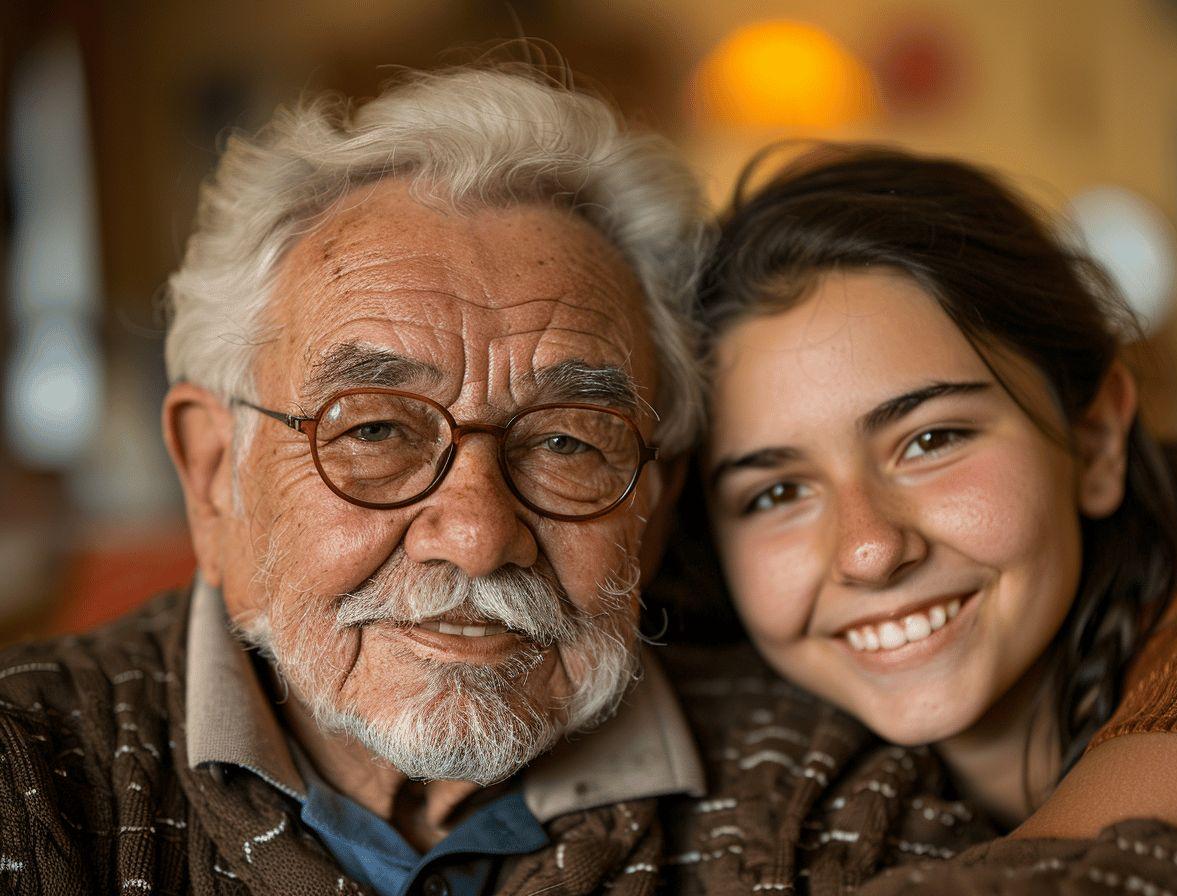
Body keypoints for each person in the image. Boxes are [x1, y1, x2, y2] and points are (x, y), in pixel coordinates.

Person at [0, 63, 722, 895]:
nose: (480, 539)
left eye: (566, 441)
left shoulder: (810, 785)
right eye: (375, 429)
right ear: (212, 475)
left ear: (657, 502)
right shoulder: (28, 780)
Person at [696, 144, 1177, 891]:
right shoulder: (753, 746)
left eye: (931, 440)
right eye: (776, 493)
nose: (870, 550)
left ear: (1096, 442)